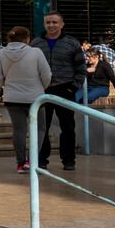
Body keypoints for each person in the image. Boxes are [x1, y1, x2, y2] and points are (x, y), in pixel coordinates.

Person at [30, 12, 86, 171]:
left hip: (65, 88)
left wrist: (74, 87)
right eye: (48, 22)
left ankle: (69, 160)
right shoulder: (36, 43)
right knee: (42, 127)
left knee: (67, 127)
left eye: (54, 22)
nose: (51, 25)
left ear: (62, 24)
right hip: (42, 89)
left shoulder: (72, 43)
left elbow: (81, 69)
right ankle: (41, 160)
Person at [0, 25, 51, 174]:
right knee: (40, 128)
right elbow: (46, 74)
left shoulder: (1, 53)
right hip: (35, 98)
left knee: (19, 130)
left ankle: (20, 163)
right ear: (27, 38)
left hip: (12, 97)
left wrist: (6, 85)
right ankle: (32, 161)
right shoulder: (36, 52)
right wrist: (41, 88)